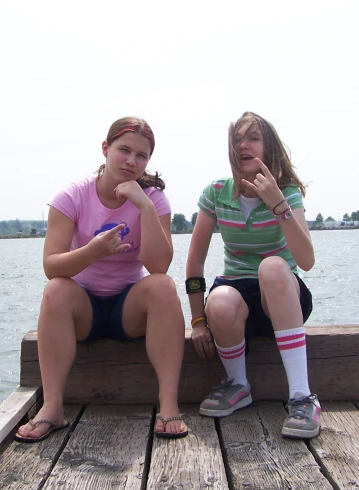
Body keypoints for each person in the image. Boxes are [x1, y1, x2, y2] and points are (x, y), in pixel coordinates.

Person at [16, 116, 188, 442]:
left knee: (163, 287)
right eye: (124, 150)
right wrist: (92, 252)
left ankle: (168, 404)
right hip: (84, 309)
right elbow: (51, 266)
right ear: (106, 149)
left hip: (129, 310)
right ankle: (52, 407)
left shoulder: (153, 198)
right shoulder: (72, 196)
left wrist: (145, 207)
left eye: (142, 156)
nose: (131, 161)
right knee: (55, 290)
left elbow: (159, 266)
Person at [185, 111, 319, 439]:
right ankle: (237, 384)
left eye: (253, 138)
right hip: (238, 300)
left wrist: (278, 205)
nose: (242, 145)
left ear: (268, 148)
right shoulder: (216, 192)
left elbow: (306, 260)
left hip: (281, 296)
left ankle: (303, 397)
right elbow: (194, 263)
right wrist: (198, 321)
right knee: (220, 300)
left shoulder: (286, 191)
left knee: (272, 266)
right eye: (236, 140)